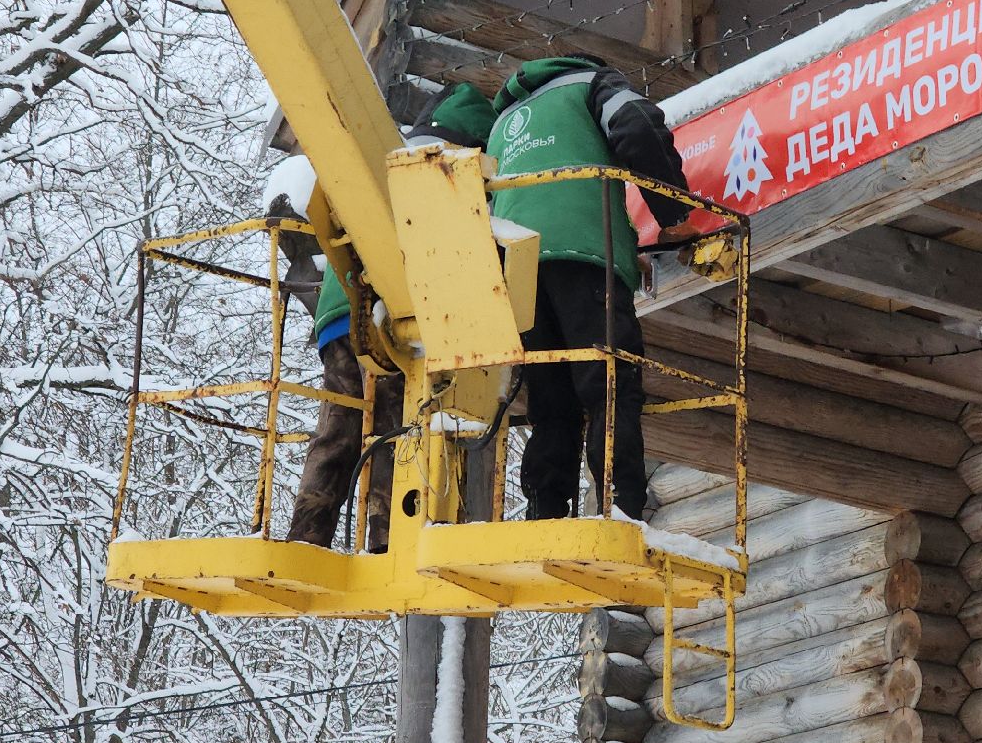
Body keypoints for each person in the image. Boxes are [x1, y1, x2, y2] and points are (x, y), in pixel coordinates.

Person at [284, 82, 498, 550]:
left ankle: (307, 532)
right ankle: (385, 537)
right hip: (391, 324)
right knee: (394, 428)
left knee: (337, 428)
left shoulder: (388, 165)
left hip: (341, 316)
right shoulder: (449, 175)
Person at [486, 55, 695, 522]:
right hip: (588, 253)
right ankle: (622, 510)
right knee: (610, 385)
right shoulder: (591, 83)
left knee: (550, 398)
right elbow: (637, 127)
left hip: (515, 268)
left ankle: (545, 516)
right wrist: (674, 213)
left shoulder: (501, 121)